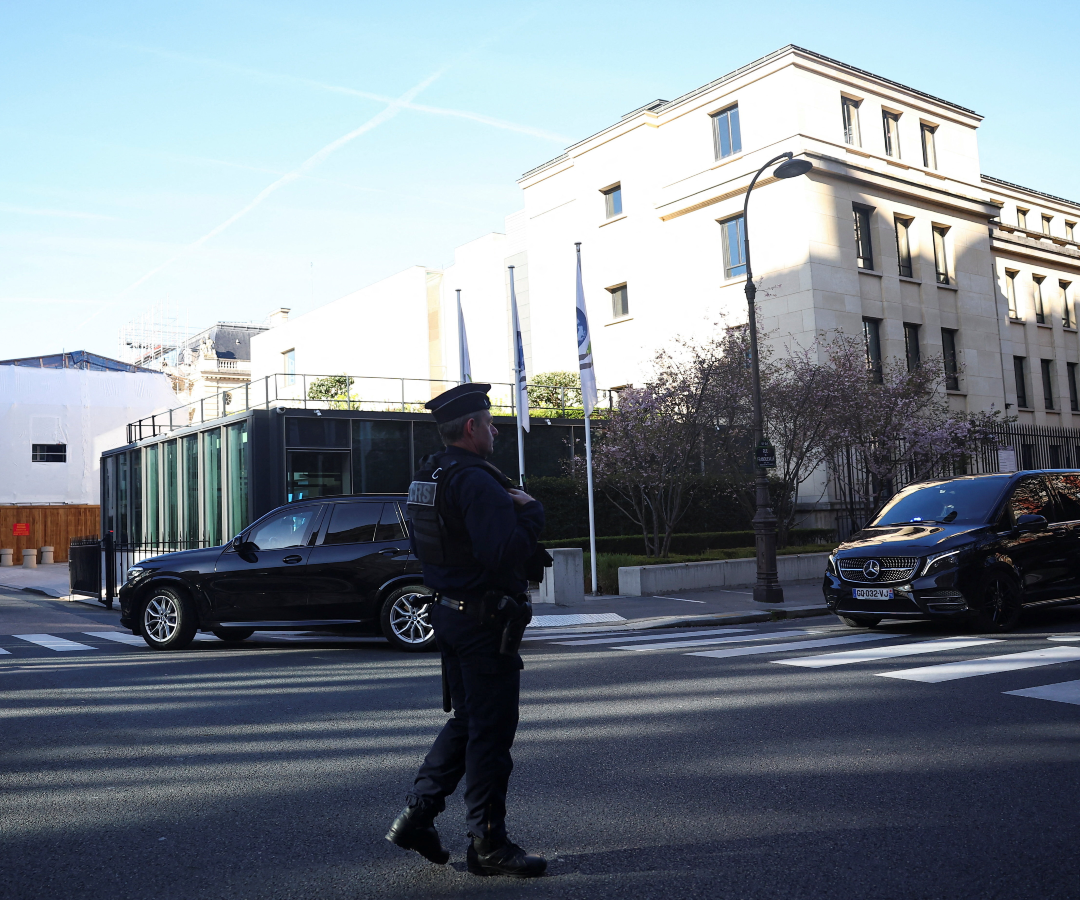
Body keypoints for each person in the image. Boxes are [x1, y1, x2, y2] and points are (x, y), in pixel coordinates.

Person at [386, 383, 549, 878]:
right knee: (491, 733)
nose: (497, 429)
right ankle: (488, 844)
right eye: (492, 422)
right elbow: (501, 552)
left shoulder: (430, 475)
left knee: (467, 721)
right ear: (472, 428)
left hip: (449, 613)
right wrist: (533, 512)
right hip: (483, 621)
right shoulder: (478, 481)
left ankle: (418, 815)